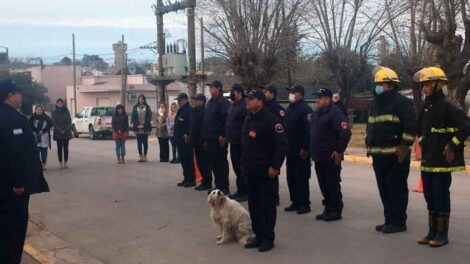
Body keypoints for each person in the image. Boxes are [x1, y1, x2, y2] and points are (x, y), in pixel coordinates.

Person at [414, 67, 470, 247]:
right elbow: (420, 127)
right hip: (428, 160)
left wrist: (452, 144)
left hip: (442, 161)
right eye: (422, 85)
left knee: (440, 197)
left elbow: (465, 127)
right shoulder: (427, 105)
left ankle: (442, 234)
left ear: (438, 84)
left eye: (427, 85)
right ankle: (432, 231)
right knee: (429, 197)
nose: (423, 88)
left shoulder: (449, 105)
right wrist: (421, 142)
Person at [0, 79, 49, 264]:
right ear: (10, 96)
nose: (21, 97)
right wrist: (19, 184)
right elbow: (16, 155)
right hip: (11, 191)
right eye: (18, 93)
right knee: (12, 234)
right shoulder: (12, 119)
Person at [366, 66, 416, 234]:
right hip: (378, 156)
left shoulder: (402, 103)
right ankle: (389, 219)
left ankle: (399, 222)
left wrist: (404, 147)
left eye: (381, 84)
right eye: (376, 84)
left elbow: (411, 128)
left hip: (396, 156)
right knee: (384, 189)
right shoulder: (376, 104)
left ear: (391, 85)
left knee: (397, 189)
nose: (377, 87)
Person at [242, 90, 287, 252]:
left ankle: (268, 238)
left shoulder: (271, 120)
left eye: (251, 99)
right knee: (254, 205)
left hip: (266, 171)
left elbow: (281, 146)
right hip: (250, 169)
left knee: (267, 206)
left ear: (260, 102)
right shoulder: (249, 119)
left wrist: (275, 166)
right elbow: (246, 145)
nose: (248, 101)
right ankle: (259, 235)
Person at [310, 88, 351, 221]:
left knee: (332, 183)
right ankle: (328, 207)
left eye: (320, 98)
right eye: (317, 97)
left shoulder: (335, 113)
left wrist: (339, 150)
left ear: (327, 99)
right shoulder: (317, 113)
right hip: (318, 155)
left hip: (330, 156)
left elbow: (345, 133)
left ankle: (335, 210)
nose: (317, 100)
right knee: (323, 184)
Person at [284, 84, 313, 215]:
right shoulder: (290, 108)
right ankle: (295, 201)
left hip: (300, 149)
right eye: (291, 92)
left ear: (300, 94)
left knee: (301, 177)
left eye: (293, 92)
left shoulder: (305, 109)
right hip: (290, 149)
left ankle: (304, 203)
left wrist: (305, 147)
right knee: (291, 176)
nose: (291, 94)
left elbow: (308, 131)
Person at [202, 80, 231, 194]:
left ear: (218, 88)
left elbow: (226, 120)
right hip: (210, 137)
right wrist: (205, 138)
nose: (210, 89)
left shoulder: (223, 102)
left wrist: (223, 135)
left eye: (212, 87)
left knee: (221, 162)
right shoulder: (210, 102)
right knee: (214, 162)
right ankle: (218, 184)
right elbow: (207, 121)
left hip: (219, 138)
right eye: (210, 87)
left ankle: (224, 186)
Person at [263, 84, 285, 206]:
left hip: (273, 144)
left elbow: (281, 127)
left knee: (273, 173)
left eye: (267, 92)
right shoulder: (263, 107)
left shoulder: (278, 109)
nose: (265, 94)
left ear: (272, 94)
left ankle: (274, 197)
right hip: (263, 145)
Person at [226, 84, 248, 202]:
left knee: (242, 168)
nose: (231, 94)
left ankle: (245, 192)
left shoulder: (244, 105)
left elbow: (245, 124)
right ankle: (240, 190)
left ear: (239, 92)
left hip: (240, 142)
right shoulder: (233, 105)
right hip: (233, 141)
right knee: (236, 167)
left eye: (233, 91)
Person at [191, 94, 212, 191]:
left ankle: (207, 182)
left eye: (196, 100)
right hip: (195, 141)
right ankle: (204, 181)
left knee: (205, 163)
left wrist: (206, 140)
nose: (195, 101)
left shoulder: (205, 111)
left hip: (203, 141)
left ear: (202, 101)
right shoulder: (195, 110)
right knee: (199, 162)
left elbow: (206, 126)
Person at [174, 93, 195, 187]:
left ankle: (191, 179)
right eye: (178, 100)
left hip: (186, 139)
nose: (178, 102)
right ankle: (186, 178)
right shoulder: (181, 110)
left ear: (185, 100)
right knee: (183, 159)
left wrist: (188, 134)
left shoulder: (189, 110)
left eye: (180, 100)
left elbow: (191, 124)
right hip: (180, 139)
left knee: (188, 160)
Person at [29, 105, 53, 170]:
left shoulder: (46, 117)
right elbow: (30, 126)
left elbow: (50, 124)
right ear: (35, 110)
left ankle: (44, 165)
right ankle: (37, 165)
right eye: (37, 109)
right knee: (36, 151)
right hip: (35, 136)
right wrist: (37, 131)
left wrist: (43, 131)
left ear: (42, 110)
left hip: (44, 136)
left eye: (40, 109)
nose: (39, 111)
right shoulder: (32, 117)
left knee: (44, 151)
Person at [52, 98, 73, 169]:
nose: (60, 104)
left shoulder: (67, 111)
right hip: (58, 133)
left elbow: (69, 122)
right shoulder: (54, 112)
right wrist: (59, 130)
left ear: (63, 104)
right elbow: (54, 122)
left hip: (66, 133)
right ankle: (60, 163)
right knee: (59, 148)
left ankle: (66, 163)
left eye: (61, 103)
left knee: (66, 148)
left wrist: (66, 129)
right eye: (59, 103)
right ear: (57, 104)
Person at [131, 95, 152, 162]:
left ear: (144, 100)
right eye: (140, 99)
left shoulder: (147, 107)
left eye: (142, 99)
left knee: (145, 142)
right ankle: (141, 156)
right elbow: (133, 117)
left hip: (145, 128)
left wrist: (144, 125)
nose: (141, 100)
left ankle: (145, 156)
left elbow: (149, 117)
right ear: (138, 100)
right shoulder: (135, 107)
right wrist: (137, 125)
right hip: (137, 128)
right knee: (139, 143)